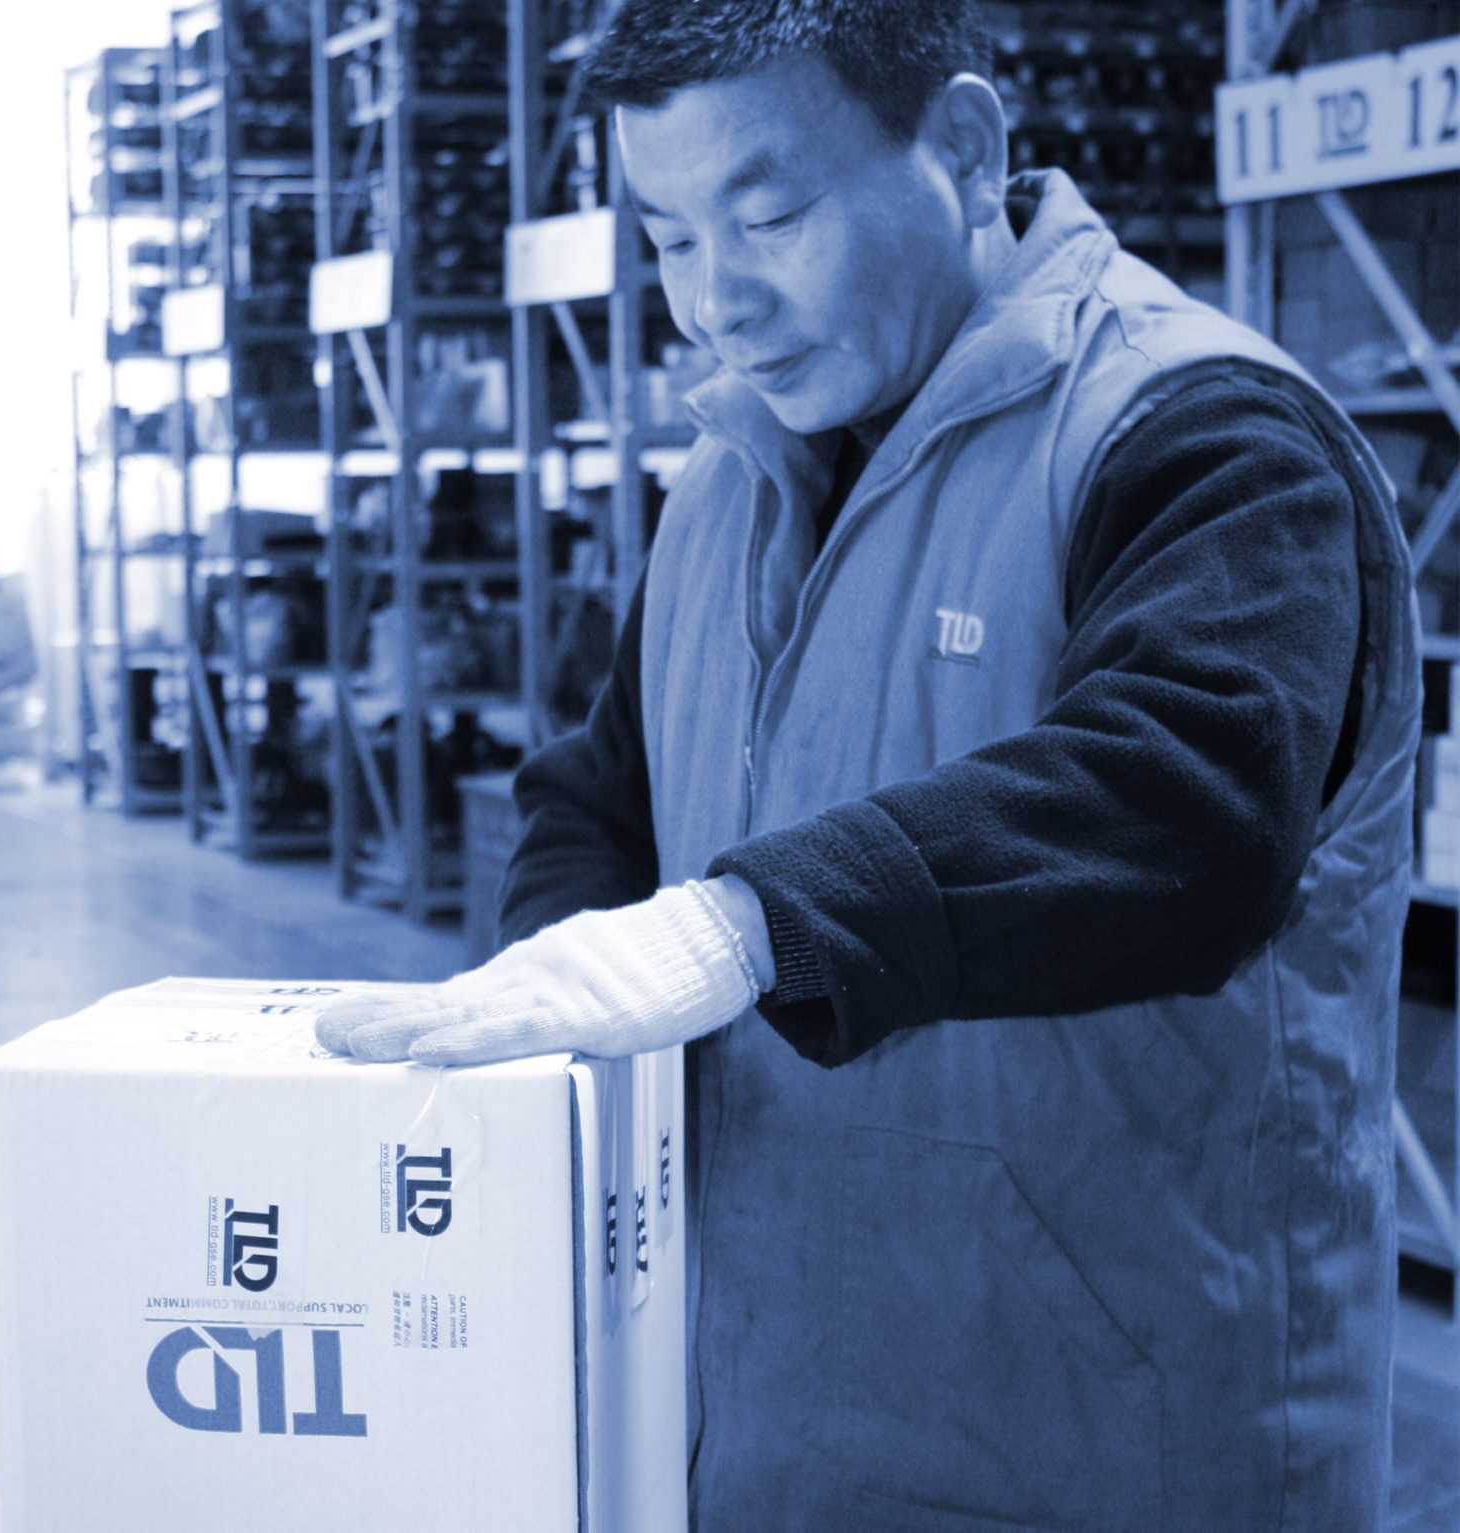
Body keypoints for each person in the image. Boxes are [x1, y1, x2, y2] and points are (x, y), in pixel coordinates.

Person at [317, 1, 1422, 1526]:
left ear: (961, 148)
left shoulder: (1203, 433)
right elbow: (600, 791)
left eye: (769, 218)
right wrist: (562, 1009)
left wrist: (744, 927)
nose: (715, 302)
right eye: (669, 239)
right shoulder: (728, 477)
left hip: (1117, 1443)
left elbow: (1187, 795)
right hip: (773, 1430)